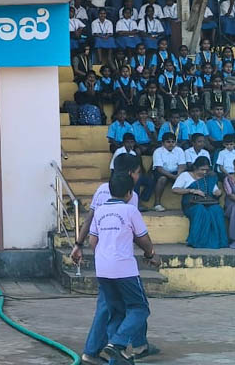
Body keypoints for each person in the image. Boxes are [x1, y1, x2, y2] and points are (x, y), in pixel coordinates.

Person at [72, 155, 158, 363]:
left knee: (115, 311)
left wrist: (84, 246)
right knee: (139, 308)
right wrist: (150, 254)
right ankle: (115, 344)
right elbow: (141, 237)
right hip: (124, 267)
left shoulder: (102, 199)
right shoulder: (130, 205)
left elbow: (93, 239)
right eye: (137, 172)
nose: (138, 176)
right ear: (129, 188)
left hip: (103, 267)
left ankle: (117, 354)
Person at [173, 156, 228, 248]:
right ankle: (198, 240)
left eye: (206, 170)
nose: (204, 172)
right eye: (202, 170)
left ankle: (219, 240)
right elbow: (175, 189)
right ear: (195, 167)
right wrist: (192, 190)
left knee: (217, 210)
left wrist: (218, 192)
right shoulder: (185, 175)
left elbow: (215, 190)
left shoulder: (209, 178)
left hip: (208, 202)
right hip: (191, 204)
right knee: (200, 210)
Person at [150, 133, 185, 211]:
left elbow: (182, 165)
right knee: (162, 179)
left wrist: (179, 174)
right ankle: (157, 204)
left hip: (176, 172)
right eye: (168, 142)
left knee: (187, 177)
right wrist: (173, 176)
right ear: (163, 143)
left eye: (173, 142)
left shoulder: (179, 150)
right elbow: (159, 168)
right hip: (161, 172)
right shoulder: (158, 151)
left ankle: (189, 203)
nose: (171, 144)